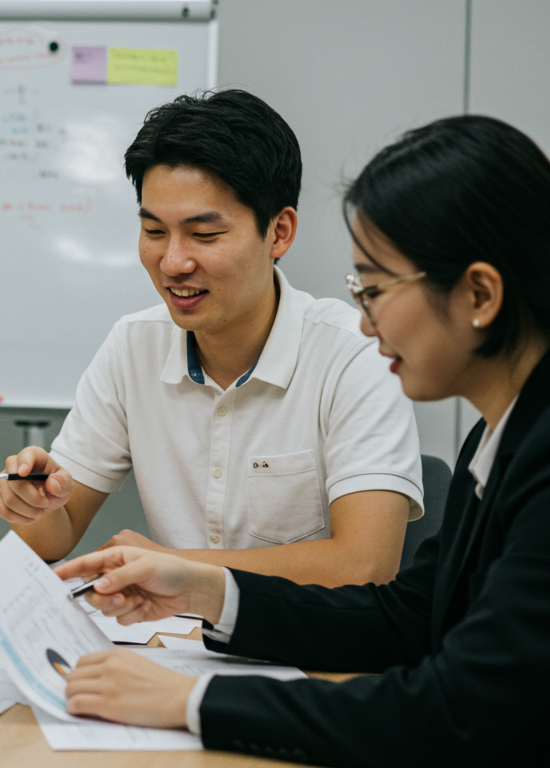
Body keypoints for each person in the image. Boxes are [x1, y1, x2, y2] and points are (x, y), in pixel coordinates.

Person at [55, 115, 550, 765]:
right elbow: (405, 619)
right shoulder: (502, 435)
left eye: (375, 290)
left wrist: (189, 704)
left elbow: (459, 710)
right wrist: (204, 588)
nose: (368, 325)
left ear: (480, 293)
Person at [0, 90, 423, 587]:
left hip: (306, 651)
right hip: (168, 643)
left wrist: (182, 569)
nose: (173, 263)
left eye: (204, 235)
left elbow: (363, 566)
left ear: (279, 232)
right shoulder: (134, 345)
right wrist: (34, 501)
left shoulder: (353, 354)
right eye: (154, 231)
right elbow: (53, 538)